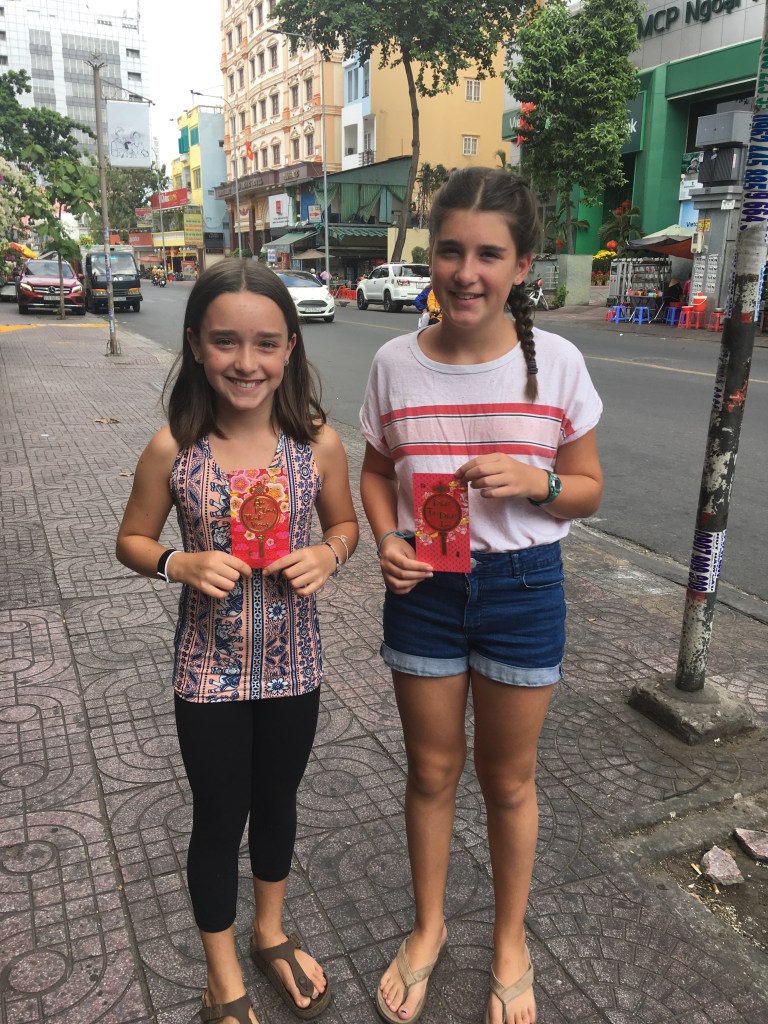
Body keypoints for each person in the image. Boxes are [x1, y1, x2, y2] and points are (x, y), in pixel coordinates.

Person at [359, 167, 603, 1024]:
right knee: (431, 771)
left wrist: (538, 482)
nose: (466, 272)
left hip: (523, 588)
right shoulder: (394, 363)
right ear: (431, 255)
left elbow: (587, 489)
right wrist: (387, 539)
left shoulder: (558, 364)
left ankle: (509, 939)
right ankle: (428, 927)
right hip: (424, 587)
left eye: (489, 254)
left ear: (522, 265)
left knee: (508, 780)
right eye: (450, 250)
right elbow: (377, 471)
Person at [116, 261, 359, 1024]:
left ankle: (269, 933)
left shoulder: (317, 446)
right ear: (195, 344)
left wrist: (329, 554)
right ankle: (221, 977)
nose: (246, 362)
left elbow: (345, 524)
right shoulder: (174, 449)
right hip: (206, 674)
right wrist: (177, 563)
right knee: (220, 818)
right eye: (225, 341)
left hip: (295, 667)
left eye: (265, 343)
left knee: (278, 802)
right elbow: (131, 539)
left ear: (291, 348)